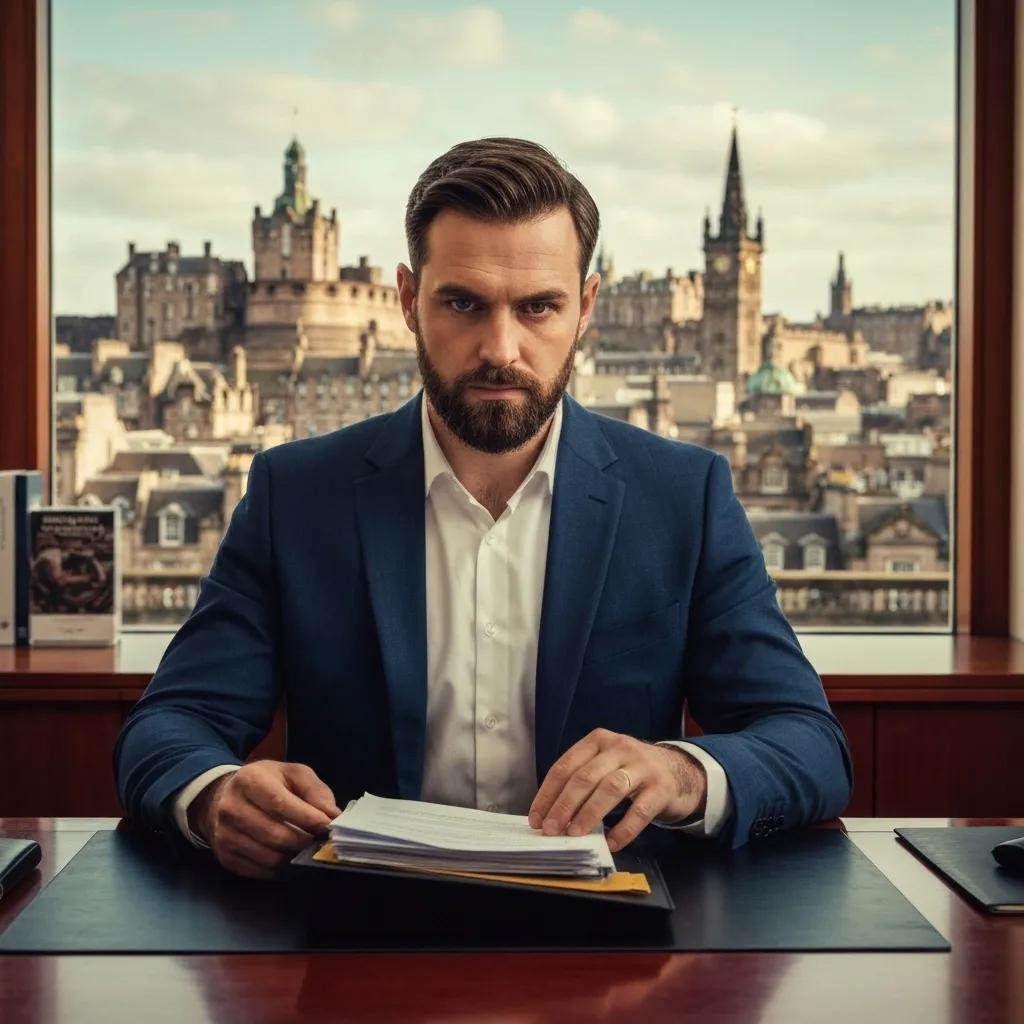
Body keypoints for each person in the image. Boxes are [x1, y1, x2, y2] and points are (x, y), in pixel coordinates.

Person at [114, 137, 852, 880]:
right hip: (359, 935)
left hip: (612, 945)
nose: (501, 347)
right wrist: (214, 797)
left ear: (587, 308)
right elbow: (170, 725)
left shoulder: (682, 496)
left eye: (539, 307)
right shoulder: (296, 494)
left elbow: (808, 743)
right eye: (463, 303)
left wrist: (680, 775)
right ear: (407, 300)